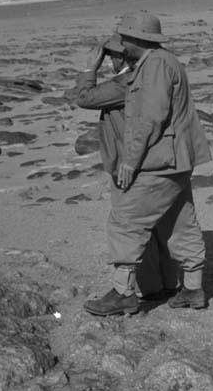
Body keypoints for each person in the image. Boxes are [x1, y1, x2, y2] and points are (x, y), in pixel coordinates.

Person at [83, 10, 212, 316]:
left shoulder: (154, 65)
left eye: (124, 37)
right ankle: (193, 289)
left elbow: (149, 118)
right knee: (179, 222)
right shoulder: (162, 62)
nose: (122, 43)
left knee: (125, 220)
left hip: (161, 161)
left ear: (137, 39)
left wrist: (129, 162)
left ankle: (123, 294)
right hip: (177, 159)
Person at [76, 33, 179, 301]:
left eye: (110, 55)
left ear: (120, 56)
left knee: (127, 225)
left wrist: (89, 69)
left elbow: (85, 98)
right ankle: (165, 284)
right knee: (157, 226)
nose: (108, 60)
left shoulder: (125, 83)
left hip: (129, 163)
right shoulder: (143, 76)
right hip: (142, 161)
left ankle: (134, 291)